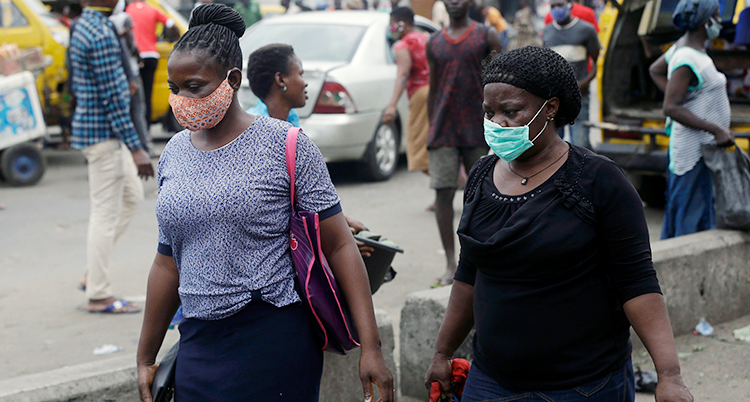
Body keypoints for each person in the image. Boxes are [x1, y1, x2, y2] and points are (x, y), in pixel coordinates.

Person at [136, 5, 393, 402]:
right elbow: (167, 262)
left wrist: (371, 347)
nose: (181, 100)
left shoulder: (286, 145)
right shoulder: (173, 153)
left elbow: (340, 245)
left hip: (272, 339)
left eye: (194, 86)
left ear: (232, 80)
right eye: (174, 89)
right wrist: (144, 356)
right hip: (198, 343)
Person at [424, 46, 693, 402]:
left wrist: (669, 376)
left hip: (583, 387)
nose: (497, 123)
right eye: (489, 112)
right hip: (490, 383)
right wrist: (442, 353)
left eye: (511, 111)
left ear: (550, 108)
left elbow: (637, 282)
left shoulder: (599, 182)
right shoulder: (480, 176)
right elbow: (470, 273)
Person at [245, 43, 376, 257]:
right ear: (281, 80)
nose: (305, 82)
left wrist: (340, 221)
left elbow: (304, 196)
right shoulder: (255, 132)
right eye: (300, 74)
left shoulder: (291, 122)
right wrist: (333, 239)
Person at [68, 0, 154, 313]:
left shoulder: (90, 25)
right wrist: (137, 147)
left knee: (131, 197)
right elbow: (113, 100)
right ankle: (98, 294)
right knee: (105, 213)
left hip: (101, 131)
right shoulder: (100, 32)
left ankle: (94, 271)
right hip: (105, 135)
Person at [426, 0, 502, 287]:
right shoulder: (434, 41)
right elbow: (433, 88)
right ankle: (450, 263)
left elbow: (501, 79)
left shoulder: (486, 35)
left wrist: (499, 121)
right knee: (443, 193)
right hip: (444, 128)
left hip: (476, 126)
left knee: (481, 194)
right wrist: (431, 127)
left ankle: (482, 259)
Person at [649, 0, 732, 240]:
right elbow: (671, 107)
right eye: (717, 15)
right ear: (706, 22)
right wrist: (715, 129)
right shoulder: (686, 57)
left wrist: (687, 97)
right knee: (689, 212)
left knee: (690, 207)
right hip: (692, 151)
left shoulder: (685, 48)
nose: (720, 21)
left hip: (701, 147)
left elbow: (655, 69)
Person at [543, 0, 600, 149]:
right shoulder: (547, 31)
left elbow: (596, 62)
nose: (556, 9)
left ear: (569, 4)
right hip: (554, 98)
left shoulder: (586, 30)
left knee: (580, 143)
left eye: (560, 5)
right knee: (553, 145)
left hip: (579, 96)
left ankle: (583, 171)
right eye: (553, 6)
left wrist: (585, 83)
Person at [382, 7, 430, 173]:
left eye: (393, 25)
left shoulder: (402, 45)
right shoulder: (427, 38)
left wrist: (392, 105)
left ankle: (445, 184)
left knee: (417, 144)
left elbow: (403, 74)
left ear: (402, 24)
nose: (391, 29)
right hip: (438, 93)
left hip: (420, 94)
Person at [126, 0, 179, 127]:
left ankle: (136, 127)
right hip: (151, 55)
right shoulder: (153, 9)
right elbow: (172, 24)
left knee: (135, 95)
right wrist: (177, 39)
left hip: (135, 57)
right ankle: (147, 127)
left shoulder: (128, 10)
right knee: (148, 94)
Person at [110, 0, 152, 154]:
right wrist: (139, 57)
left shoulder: (104, 21)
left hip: (115, 72)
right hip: (130, 71)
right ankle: (144, 146)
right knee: (138, 109)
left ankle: (125, 148)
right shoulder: (125, 19)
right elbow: (130, 45)